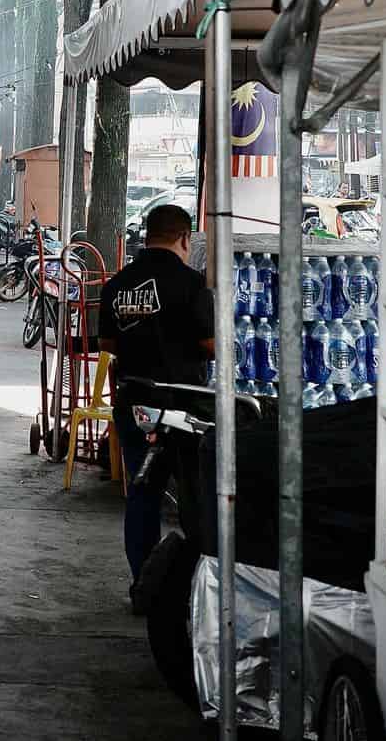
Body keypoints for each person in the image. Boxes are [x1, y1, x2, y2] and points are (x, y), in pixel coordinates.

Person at [98, 203, 215, 592]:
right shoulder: (193, 285)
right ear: (184, 238)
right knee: (193, 500)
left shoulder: (118, 284)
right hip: (184, 408)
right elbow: (211, 344)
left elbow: (108, 342)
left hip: (134, 401)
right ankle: (189, 589)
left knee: (142, 494)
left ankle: (143, 585)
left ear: (147, 236)